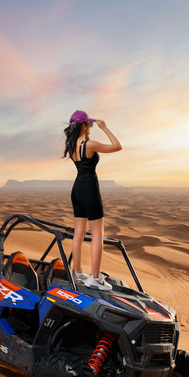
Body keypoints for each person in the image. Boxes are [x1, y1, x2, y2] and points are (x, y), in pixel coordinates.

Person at [63, 110, 122, 290]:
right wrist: (105, 127)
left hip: (76, 189)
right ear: (84, 125)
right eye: (91, 124)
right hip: (89, 188)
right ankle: (95, 278)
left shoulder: (72, 146)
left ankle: (77, 271)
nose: (92, 127)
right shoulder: (89, 144)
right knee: (97, 234)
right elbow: (117, 146)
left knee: (79, 232)